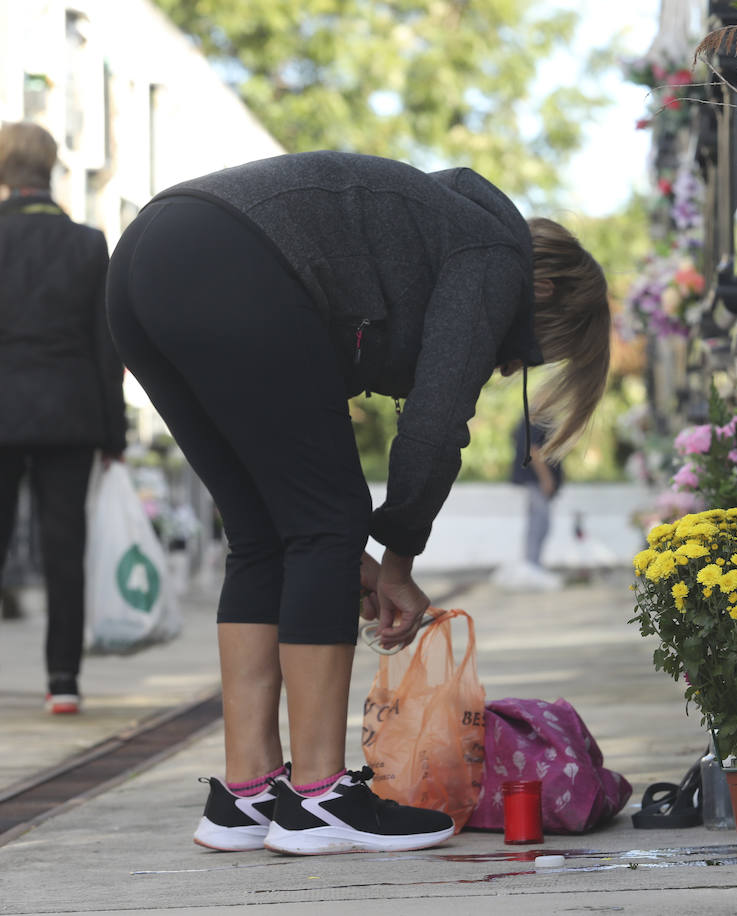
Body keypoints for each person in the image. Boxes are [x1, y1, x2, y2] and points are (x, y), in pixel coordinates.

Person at [104, 151, 609, 855]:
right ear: (545, 286)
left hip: (145, 262)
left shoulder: (424, 229)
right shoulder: (495, 257)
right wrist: (394, 558)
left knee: (262, 534)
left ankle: (245, 794)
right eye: (527, 349)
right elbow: (434, 426)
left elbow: (300, 506)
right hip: (230, 261)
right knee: (325, 520)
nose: (504, 364)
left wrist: (350, 555)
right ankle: (318, 797)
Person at [0, 122, 125, 715]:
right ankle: (63, 681)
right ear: (50, 174)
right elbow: (107, 345)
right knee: (64, 547)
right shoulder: (90, 243)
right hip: (71, 417)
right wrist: (113, 433)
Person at [497, 418, 565, 591]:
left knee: (540, 523)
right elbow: (533, 449)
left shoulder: (535, 416)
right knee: (539, 523)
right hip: (536, 481)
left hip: (536, 481)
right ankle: (531, 566)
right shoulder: (537, 417)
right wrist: (546, 477)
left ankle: (533, 565)